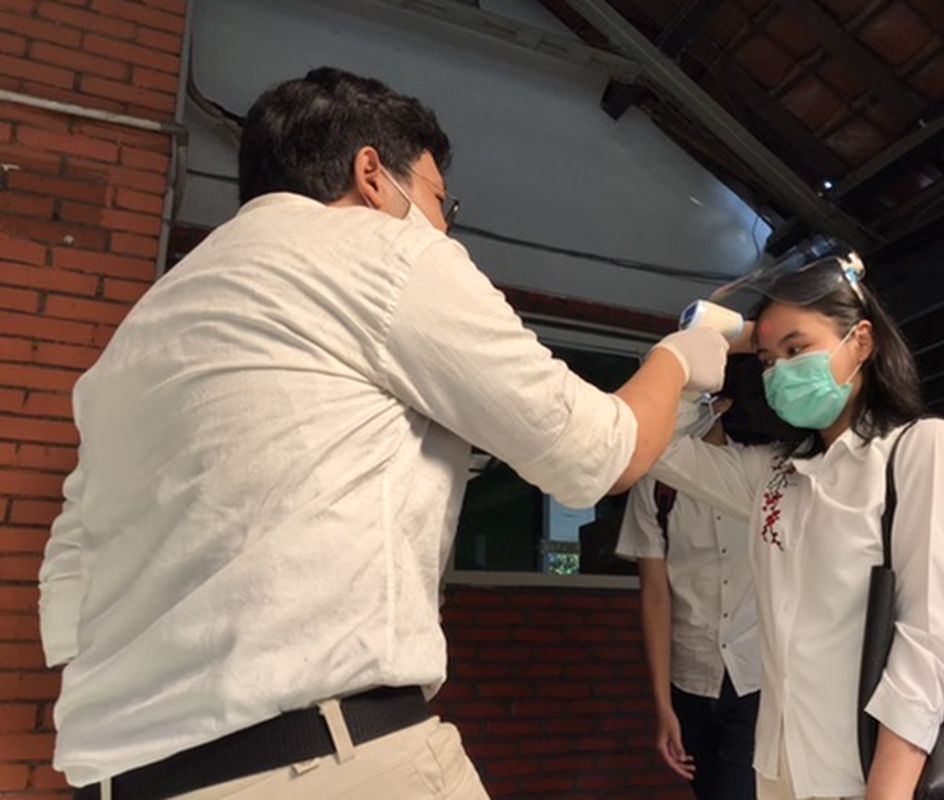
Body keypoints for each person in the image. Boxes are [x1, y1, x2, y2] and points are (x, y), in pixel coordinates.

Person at [37, 67, 729, 800]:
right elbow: (599, 452)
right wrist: (675, 364)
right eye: (439, 200)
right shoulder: (383, 252)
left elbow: (69, 580)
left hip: (124, 775)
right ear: (372, 173)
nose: (444, 224)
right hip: (320, 761)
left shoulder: (145, 329)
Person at [646, 257, 944, 800]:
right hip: (780, 766)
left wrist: (887, 792)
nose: (779, 370)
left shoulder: (925, 450)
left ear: (861, 341)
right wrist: (713, 346)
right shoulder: (775, 476)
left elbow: (931, 643)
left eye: (796, 348)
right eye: (766, 359)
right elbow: (657, 449)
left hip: (870, 773)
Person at [616, 366, 765, 800]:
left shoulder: (760, 473)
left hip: (757, 675)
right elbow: (655, 596)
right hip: (691, 677)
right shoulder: (656, 484)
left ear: (723, 405)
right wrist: (663, 705)